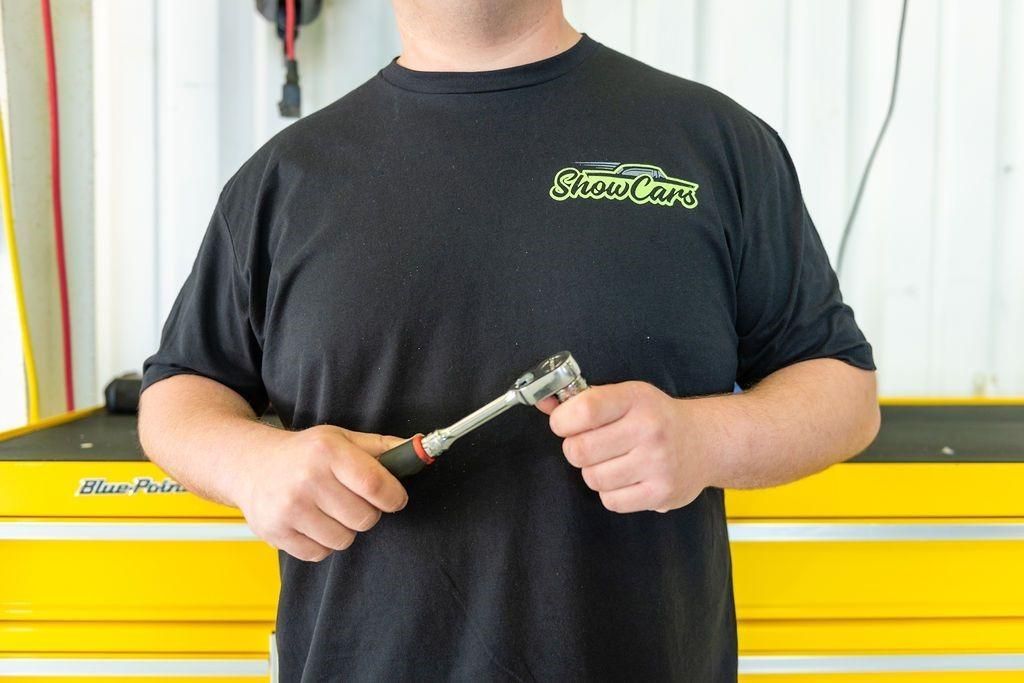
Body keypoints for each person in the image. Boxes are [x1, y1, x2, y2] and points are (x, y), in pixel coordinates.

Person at [138, 1, 880, 680]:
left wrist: (704, 438)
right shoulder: (283, 179)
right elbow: (178, 394)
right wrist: (252, 464)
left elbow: (842, 389)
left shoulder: (714, 144)